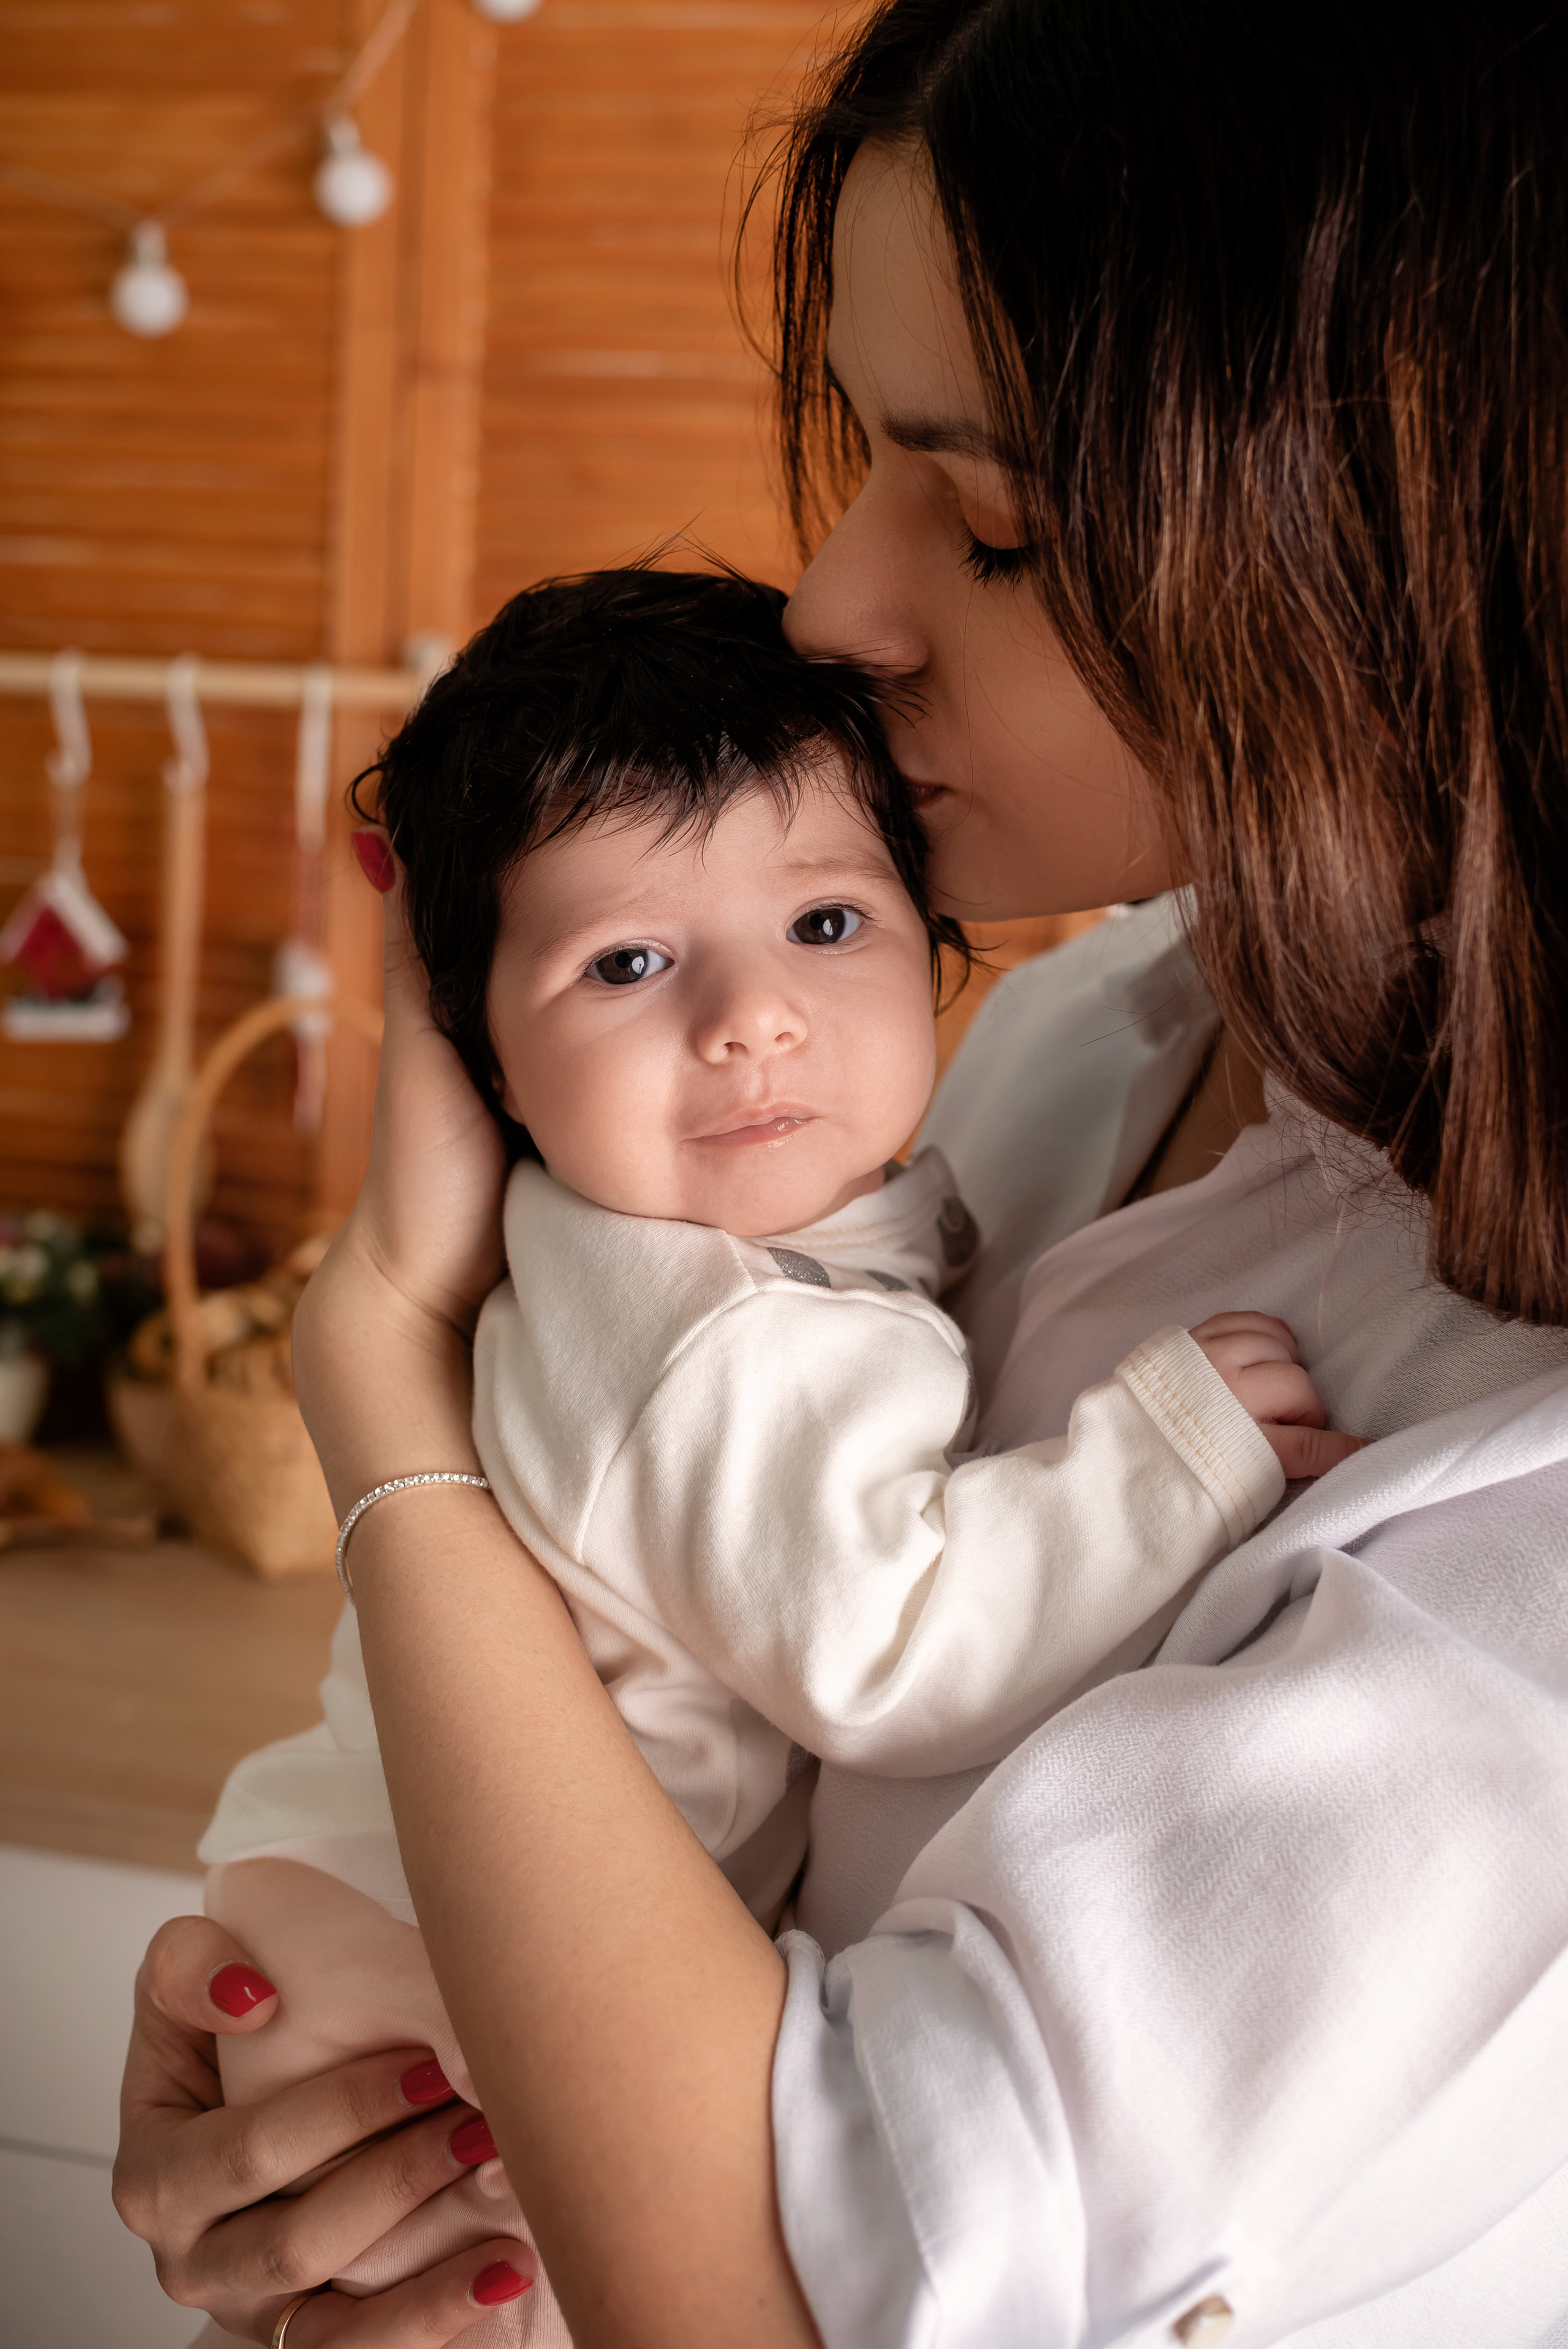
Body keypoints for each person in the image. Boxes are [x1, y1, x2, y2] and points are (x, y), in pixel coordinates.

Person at [110, 2, 1568, 2344]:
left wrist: (381, 1383)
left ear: (1406, 539)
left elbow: (776, 2289)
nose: (830, 606)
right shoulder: (1092, 1030)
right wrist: (372, 2149)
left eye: (988, 517)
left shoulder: (1518, 1523)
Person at [199, 567, 1342, 2340]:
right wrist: (1168, 1458)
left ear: (934, 941)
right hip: (438, 1996)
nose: (746, 1019)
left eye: (824, 925)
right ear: (473, 1048)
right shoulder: (708, 1329)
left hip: (399, 1917)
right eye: (628, 962)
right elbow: (880, 1643)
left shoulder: (738, 1230)